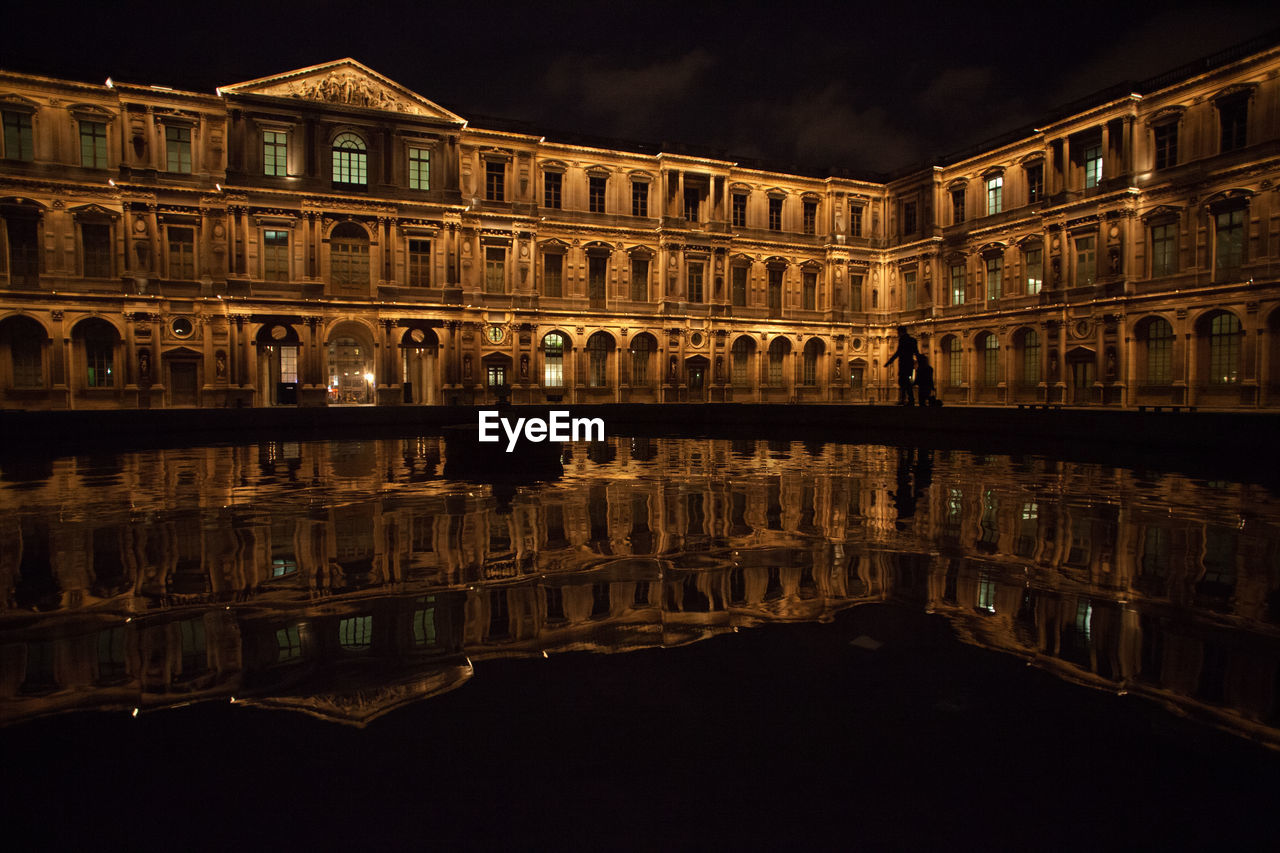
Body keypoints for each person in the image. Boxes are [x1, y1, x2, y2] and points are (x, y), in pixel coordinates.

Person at [885, 325, 919, 405]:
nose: (898, 334)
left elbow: (898, 352)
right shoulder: (913, 340)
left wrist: (890, 361)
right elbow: (916, 352)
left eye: (898, 332)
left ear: (900, 332)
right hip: (910, 363)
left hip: (904, 363)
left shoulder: (903, 340)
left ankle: (907, 399)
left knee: (903, 382)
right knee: (906, 382)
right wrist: (919, 361)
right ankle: (907, 399)